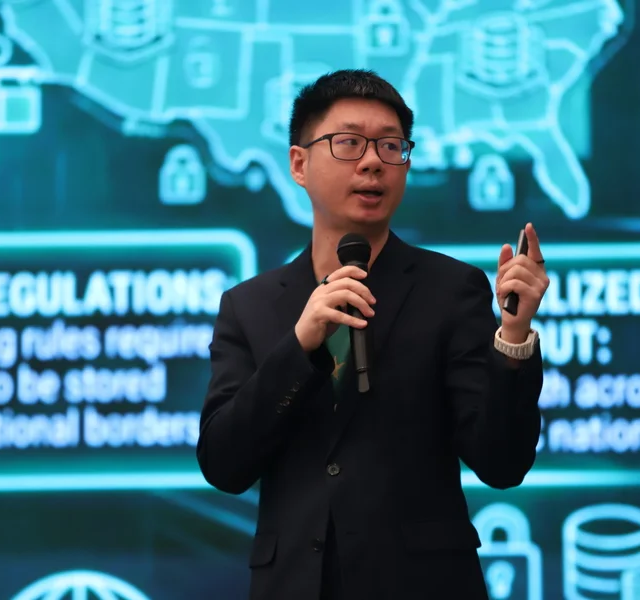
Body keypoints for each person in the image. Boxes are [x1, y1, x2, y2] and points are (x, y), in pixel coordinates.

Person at [196, 69, 549, 600]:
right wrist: (300, 346)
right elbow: (224, 464)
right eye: (348, 143)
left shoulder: (450, 289)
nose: (372, 163)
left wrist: (514, 335)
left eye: (390, 146)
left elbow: (502, 463)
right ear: (299, 164)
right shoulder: (249, 306)